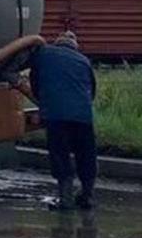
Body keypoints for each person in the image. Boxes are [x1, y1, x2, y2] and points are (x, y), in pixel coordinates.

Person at [27, 31, 97, 210]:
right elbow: (92, 91)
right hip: (83, 116)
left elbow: (35, 82)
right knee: (86, 155)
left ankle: (65, 200)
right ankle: (87, 196)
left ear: (57, 43)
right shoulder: (84, 61)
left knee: (60, 155)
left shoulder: (44, 54)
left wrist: (44, 104)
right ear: (75, 47)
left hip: (56, 116)